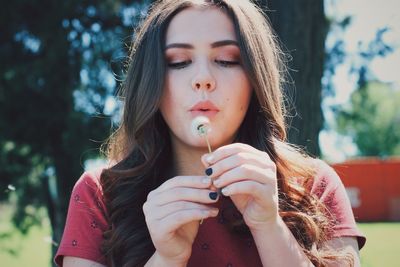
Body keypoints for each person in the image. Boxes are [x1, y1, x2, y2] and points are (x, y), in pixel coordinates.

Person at [55, 0, 366, 266]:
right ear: (151, 82)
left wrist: (269, 227)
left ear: (255, 79)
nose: (202, 79)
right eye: (178, 62)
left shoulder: (314, 187)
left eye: (227, 60)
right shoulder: (100, 193)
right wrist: (167, 258)